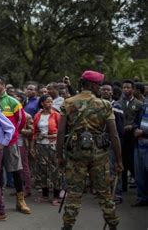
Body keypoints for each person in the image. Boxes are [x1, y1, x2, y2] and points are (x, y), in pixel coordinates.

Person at [57, 70, 123, 230]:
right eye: (99, 85)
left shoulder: (68, 103)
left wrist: (59, 156)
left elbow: (61, 132)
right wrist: (119, 160)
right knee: (104, 193)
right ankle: (113, 225)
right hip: (99, 154)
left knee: (74, 194)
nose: (100, 88)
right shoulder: (105, 104)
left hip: (75, 154)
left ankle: (67, 226)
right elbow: (114, 135)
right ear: (93, 85)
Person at [0, 76, 31, 217]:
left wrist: (11, 137)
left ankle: (21, 201)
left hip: (10, 143)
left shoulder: (12, 101)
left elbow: (21, 121)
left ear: (3, 85)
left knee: (15, 171)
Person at [31, 95, 62, 206]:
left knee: (55, 170)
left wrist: (52, 136)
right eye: (47, 102)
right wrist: (32, 146)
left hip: (52, 145)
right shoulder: (38, 115)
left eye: (51, 101)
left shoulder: (56, 115)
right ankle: (44, 194)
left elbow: (62, 131)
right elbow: (34, 132)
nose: (50, 104)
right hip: (40, 146)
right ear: (42, 103)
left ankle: (56, 195)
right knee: (42, 170)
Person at [101, 82, 125, 204]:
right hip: (100, 143)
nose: (105, 91)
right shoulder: (98, 105)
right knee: (103, 169)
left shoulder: (117, 106)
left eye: (108, 90)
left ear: (111, 92)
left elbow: (120, 128)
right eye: (103, 89)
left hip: (112, 142)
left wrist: (118, 143)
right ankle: (106, 193)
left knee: (114, 167)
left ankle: (117, 194)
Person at [119, 80, 143, 191]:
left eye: (128, 87)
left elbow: (140, 121)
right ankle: (123, 187)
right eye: (124, 87)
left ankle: (138, 185)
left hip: (132, 136)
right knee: (121, 160)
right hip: (121, 136)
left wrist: (132, 126)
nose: (126, 89)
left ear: (133, 89)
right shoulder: (118, 103)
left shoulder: (139, 104)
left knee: (132, 162)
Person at [133, 91, 148, 207]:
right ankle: (142, 198)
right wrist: (135, 129)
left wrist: (144, 132)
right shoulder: (143, 106)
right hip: (139, 144)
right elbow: (135, 122)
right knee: (140, 175)